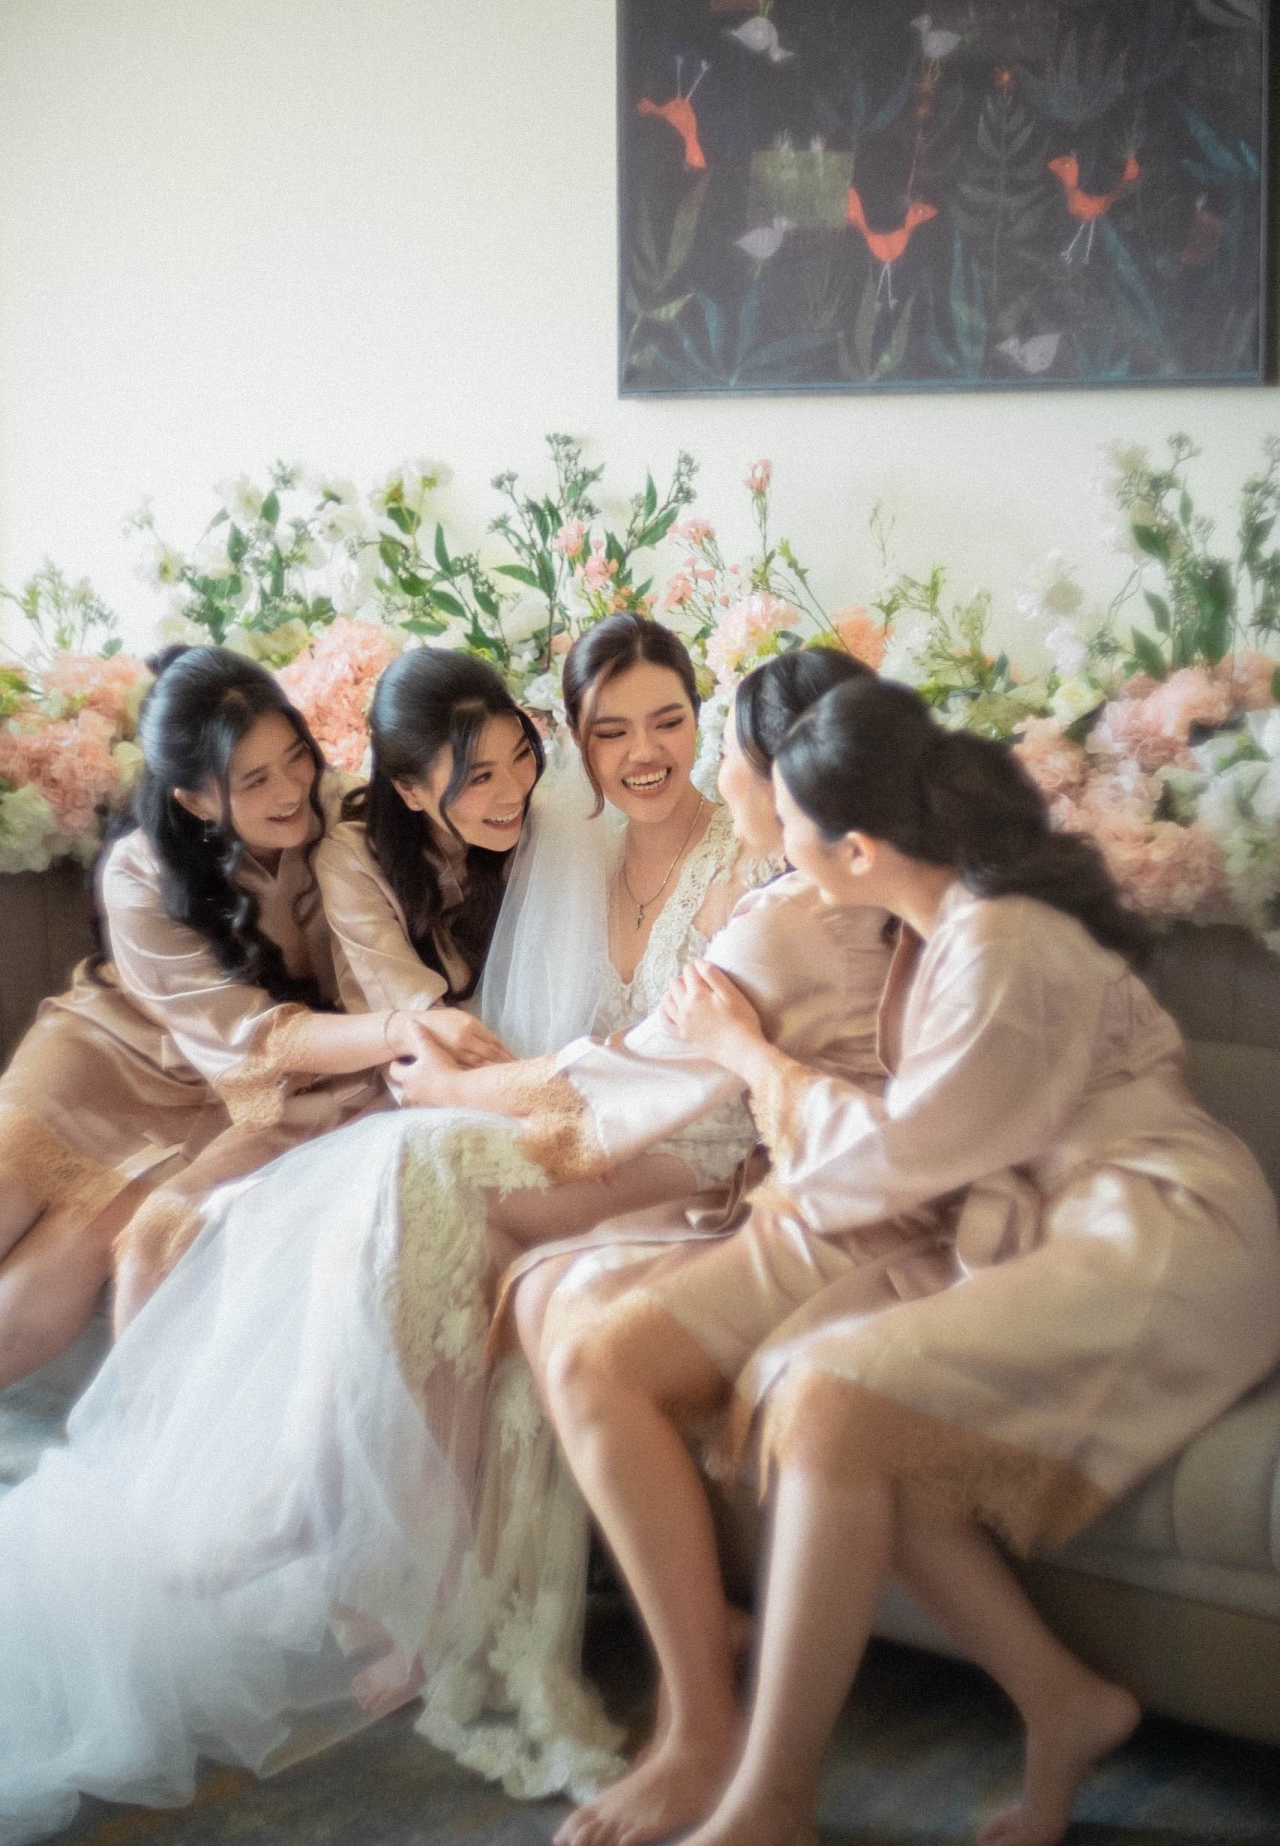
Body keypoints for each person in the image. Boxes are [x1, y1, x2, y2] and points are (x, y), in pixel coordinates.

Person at [0, 619, 829, 1845]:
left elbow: (666, 1069)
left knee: (409, 1163)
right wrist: (464, 1083)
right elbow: (471, 1022)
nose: (641, 751)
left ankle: (359, 1543)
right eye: (608, 730)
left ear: (706, 727)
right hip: (533, 1116)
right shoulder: (576, 843)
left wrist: (472, 1090)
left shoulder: (743, 867)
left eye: (668, 720)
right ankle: (359, 1535)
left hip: (679, 1146)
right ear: (578, 739)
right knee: (372, 1174)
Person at [533, 678, 1280, 1846]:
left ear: (858, 848)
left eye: (787, 822)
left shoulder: (1000, 944)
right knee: (836, 1409)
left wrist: (750, 1055)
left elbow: (893, 1157)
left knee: (828, 1400)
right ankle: (1060, 1701)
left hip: (1160, 1233)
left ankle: (769, 1803)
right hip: (1057, 1219)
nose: (774, 846)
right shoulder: (955, 925)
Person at [0, 646, 439, 1381]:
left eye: (297, 758)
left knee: (69, 1256)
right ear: (196, 801)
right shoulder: (139, 871)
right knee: (9, 1174)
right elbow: (253, 1035)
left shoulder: (349, 818)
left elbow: (268, 1051)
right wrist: (400, 1030)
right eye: (255, 780)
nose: (291, 790)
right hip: (113, 1049)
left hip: (245, 1092)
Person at [313, 646, 545, 1064]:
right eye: (480, 777)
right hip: (425, 1074)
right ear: (409, 790)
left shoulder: (541, 826)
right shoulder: (353, 863)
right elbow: (424, 1028)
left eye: (521, 754)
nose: (514, 792)